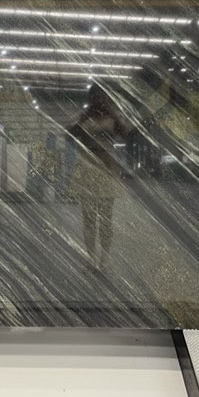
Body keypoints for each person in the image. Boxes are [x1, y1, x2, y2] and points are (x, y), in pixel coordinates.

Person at [66, 85, 127, 273]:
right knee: (89, 219)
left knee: (106, 219)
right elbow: (68, 135)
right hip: (88, 170)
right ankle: (92, 259)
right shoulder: (84, 118)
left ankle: (104, 260)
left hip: (106, 170)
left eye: (102, 95)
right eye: (96, 96)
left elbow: (126, 133)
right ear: (91, 97)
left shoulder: (112, 118)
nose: (99, 99)